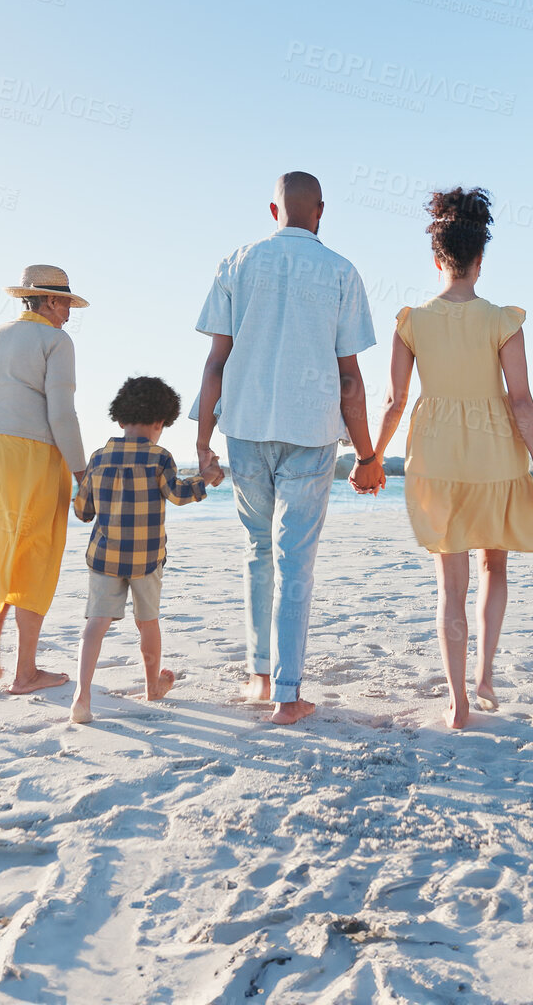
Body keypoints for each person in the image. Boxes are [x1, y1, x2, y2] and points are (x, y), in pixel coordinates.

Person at [191, 171, 385, 726]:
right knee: (293, 559)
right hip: (311, 430)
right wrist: (367, 457)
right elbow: (350, 380)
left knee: (257, 552)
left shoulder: (237, 263)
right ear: (320, 211)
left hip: (245, 428)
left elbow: (215, 364)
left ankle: (258, 676)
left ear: (273, 212)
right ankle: (287, 692)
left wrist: (202, 442)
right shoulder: (342, 271)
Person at [370, 187, 533, 730]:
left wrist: (373, 458)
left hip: (436, 460)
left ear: (437, 262)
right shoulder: (504, 320)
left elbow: (394, 401)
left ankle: (458, 702)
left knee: (449, 587)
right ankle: (485, 675)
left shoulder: (410, 321)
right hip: (497, 459)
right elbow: (522, 400)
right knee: (492, 567)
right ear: (480, 261)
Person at [0, 264, 90, 695]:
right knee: (36, 549)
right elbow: (61, 413)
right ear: (50, 300)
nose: (69, 312)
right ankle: (25, 672)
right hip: (28, 447)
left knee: (1, 543)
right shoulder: (56, 341)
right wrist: (81, 471)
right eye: (66, 303)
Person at [69, 377, 217, 725]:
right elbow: (179, 494)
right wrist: (206, 477)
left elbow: (83, 511)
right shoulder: (159, 457)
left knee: (96, 623)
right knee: (147, 622)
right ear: (160, 422)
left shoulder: (99, 457)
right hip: (147, 557)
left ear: (120, 419)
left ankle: (82, 696)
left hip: (105, 556)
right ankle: (152, 686)